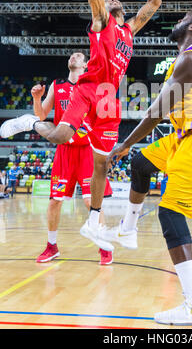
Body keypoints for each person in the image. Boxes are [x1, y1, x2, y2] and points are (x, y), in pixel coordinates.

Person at [0, 0, 161, 251]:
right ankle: (28, 122)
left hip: (109, 101)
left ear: (124, 10)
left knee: (101, 164)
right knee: (60, 135)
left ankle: (93, 221)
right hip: (87, 91)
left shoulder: (129, 30)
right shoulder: (103, 21)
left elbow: (155, 1)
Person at [104, 7, 192, 326]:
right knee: (140, 164)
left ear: (191, 26)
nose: (175, 22)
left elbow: (159, 108)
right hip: (185, 134)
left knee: (170, 212)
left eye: (182, 18)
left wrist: (125, 142)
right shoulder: (187, 58)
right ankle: (128, 228)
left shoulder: (191, 59)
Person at [31, 52, 114, 264]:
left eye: (78, 55)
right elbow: (41, 116)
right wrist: (37, 99)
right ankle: (51, 246)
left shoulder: (93, 86)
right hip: (64, 151)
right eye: (71, 55)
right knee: (54, 201)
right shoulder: (57, 86)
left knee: (90, 201)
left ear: (86, 64)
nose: (72, 57)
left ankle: (104, 246)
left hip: (87, 150)